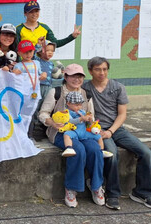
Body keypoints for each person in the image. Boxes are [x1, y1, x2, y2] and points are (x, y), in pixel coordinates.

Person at [83, 56, 151, 211]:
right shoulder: (86, 89)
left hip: (117, 129)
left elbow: (122, 114)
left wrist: (111, 131)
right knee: (111, 154)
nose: (102, 73)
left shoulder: (117, 87)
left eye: (105, 69)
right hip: (97, 130)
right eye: (98, 69)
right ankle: (112, 194)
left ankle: (141, 192)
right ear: (90, 71)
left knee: (147, 153)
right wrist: (99, 131)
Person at [38, 63, 105, 208]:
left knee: (95, 149)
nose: (77, 79)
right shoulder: (56, 92)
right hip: (61, 133)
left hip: (82, 132)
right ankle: (71, 188)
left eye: (80, 76)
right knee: (78, 150)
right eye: (73, 76)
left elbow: (91, 115)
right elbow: (43, 113)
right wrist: (52, 123)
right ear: (66, 77)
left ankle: (96, 185)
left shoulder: (86, 94)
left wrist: (92, 125)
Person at [60, 91, 113, 159]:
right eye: (76, 105)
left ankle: (101, 151)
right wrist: (81, 119)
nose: (79, 107)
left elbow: (87, 124)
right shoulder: (66, 113)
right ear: (68, 103)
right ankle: (69, 148)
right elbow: (70, 121)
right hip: (74, 131)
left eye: (80, 105)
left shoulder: (82, 112)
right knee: (66, 134)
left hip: (84, 131)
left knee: (98, 136)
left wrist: (90, 119)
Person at [15, 1, 81, 52]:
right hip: (24, 65)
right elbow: (16, 48)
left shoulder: (45, 28)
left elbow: (55, 43)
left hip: (41, 64)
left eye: (36, 11)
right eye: (31, 12)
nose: (34, 14)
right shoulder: (19, 29)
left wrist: (72, 36)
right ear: (25, 13)